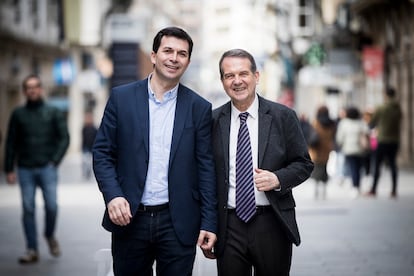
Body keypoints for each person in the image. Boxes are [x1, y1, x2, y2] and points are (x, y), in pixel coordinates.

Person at [92, 26, 217, 276]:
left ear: (188, 62)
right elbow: (102, 153)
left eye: (182, 54)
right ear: (153, 56)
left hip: (178, 222)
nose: (174, 58)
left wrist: (209, 222)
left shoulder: (199, 108)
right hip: (130, 218)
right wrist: (113, 196)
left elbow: (206, 167)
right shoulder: (121, 98)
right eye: (168, 50)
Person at [205, 49, 314, 276]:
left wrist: (278, 179)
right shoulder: (212, 121)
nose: (237, 81)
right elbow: (204, 175)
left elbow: (304, 164)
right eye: (229, 75)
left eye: (243, 73)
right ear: (222, 81)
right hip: (229, 225)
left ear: (256, 76)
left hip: (272, 222)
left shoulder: (283, 116)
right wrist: (207, 224)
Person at [3, 74, 70, 264]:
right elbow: (11, 142)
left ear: (41, 89)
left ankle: (49, 235)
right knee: (28, 208)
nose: (32, 90)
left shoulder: (53, 112)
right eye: (28, 87)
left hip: (47, 168)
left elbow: (64, 138)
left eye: (35, 87)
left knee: (52, 206)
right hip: (25, 168)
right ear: (25, 91)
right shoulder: (18, 114)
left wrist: (54, 161)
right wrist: (9, 168)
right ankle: (32, 248)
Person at [366, 87, 402, 198]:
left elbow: (372, 122)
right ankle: (394, 190)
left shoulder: (381, 108)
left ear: (385, 95)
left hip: (382, 140)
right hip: (395, 140)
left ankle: (373, 189)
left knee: (377, 164)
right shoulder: (398, 108)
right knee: (392, 164)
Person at [336, 106, 370, 198]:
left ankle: (355, 186)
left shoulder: (344, 123)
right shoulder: (361, 122)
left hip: (349, 149)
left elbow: (340, 137)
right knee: (358, 168)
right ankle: (357, 186)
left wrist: (340, 144)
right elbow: (367, 132)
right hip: (360, 149)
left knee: (353, 167)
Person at [308, 105, 336, 199]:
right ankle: (324, 189)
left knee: (316, 168)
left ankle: (316, 189)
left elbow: (311, 134)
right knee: (324, 168)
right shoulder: (331, 123)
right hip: (326, 148)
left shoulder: (316, 122)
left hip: (316, 149)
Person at [81, 112, 97, 179]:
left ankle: (88, 172)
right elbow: (83, 139)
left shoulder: (94, 128)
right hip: (85, 148)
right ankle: (85, 173)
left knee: (89, 162)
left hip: (91, 148)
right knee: (85, 161)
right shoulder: (84, 128)